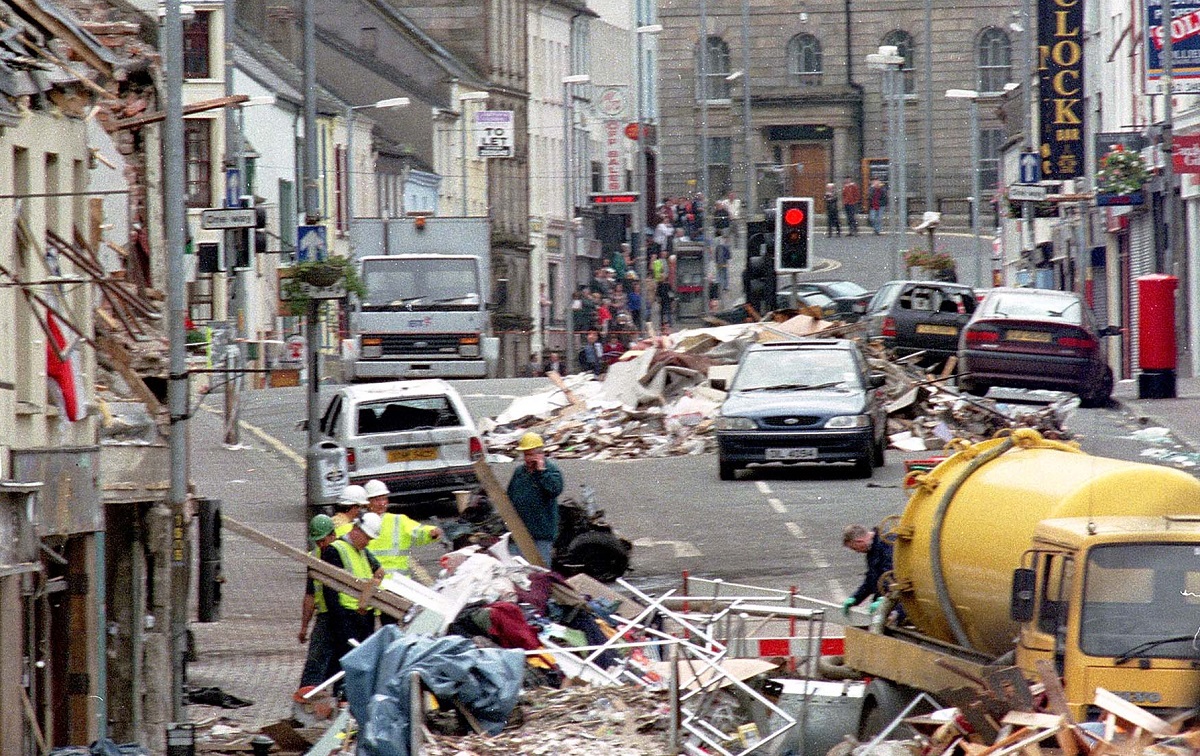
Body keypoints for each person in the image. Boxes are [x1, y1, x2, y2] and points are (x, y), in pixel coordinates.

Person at [321, 513, 384, 687]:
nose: (368, 542)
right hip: (348, 618)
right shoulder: (336, 550)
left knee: (359, 664)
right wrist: (341, 623)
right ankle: (342, 698)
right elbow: (330, 591)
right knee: (345, 663)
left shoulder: (361, 551)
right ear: (356, 531)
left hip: (363, 617)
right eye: (367, 538)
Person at [362, 479, 442, 581]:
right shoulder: (359, 524)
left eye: (384, 499)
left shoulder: (398, 520)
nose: (381, 503)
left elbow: (418, 531)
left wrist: (431, 532)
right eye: (377, 500)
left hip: (398, 583)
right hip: (373, 582)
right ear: (367, 502)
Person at [506, 432, 564, 565]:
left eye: (531, 454)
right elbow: (510, 496)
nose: (528, 459)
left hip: (541, 534)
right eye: (526, 455)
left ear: (541, 454)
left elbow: (554, 490)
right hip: (519, 532)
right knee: (516, 570)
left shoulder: (551, 471)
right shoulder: (520, 472)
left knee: (540, 571)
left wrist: (541, 472)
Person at [298, 514, 338, 690]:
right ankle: (308, 696)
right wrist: (304, 626)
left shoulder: (340, 552)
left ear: (333, 535)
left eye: (323, 540)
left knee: (334, 660)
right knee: (316, 660)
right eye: (317, 541)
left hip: (343, 613)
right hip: (325, 615)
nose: (321, 545)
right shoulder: (314, 557)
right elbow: (310, 594)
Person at [841, 523, 894, 616]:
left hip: (898, 601)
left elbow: (893, 576)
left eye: (854, 548)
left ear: (859, 541)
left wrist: (886, 599)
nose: (857, 552)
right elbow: (871, 579)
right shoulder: (872, 549)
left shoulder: (888, 544)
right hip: (884, 600)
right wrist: (855, 598)